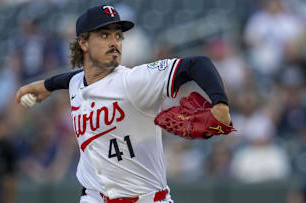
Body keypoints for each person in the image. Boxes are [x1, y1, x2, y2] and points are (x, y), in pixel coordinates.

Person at [16, 5, 231, 203]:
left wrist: (220, 103)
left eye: (118, 35)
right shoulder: (75, 83)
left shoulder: (133, 81)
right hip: (93, 197)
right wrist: (46, 85)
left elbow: (197, 64)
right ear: (83, 42)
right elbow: (73, 79)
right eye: (104, 35)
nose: (114, 42)